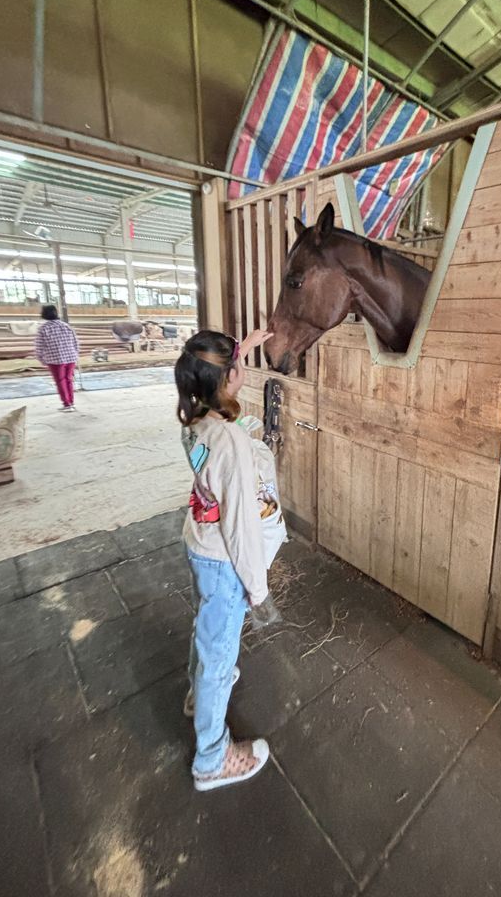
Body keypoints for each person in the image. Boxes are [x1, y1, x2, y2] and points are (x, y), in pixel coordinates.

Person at [175, 326, 274, 792]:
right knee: (220, 657)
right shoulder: (232, 443)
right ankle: (212, 760)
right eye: (239, 364)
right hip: (224, 558)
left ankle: (199, 696)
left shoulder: (193, 420)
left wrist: (244, 350)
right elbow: (242, 529)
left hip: (200, 544)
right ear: (230, 376)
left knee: (207, 628)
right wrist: (258, 587)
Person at [35, 306, 79, 411]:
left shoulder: (43, 328)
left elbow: (39, 346)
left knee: (60, 381)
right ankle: (71, 402)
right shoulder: (66, 326)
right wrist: (75, 355)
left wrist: (41, 359)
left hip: (55, 360)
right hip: (70, 357)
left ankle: (67, 404)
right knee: (68, 380)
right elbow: (75, 342)